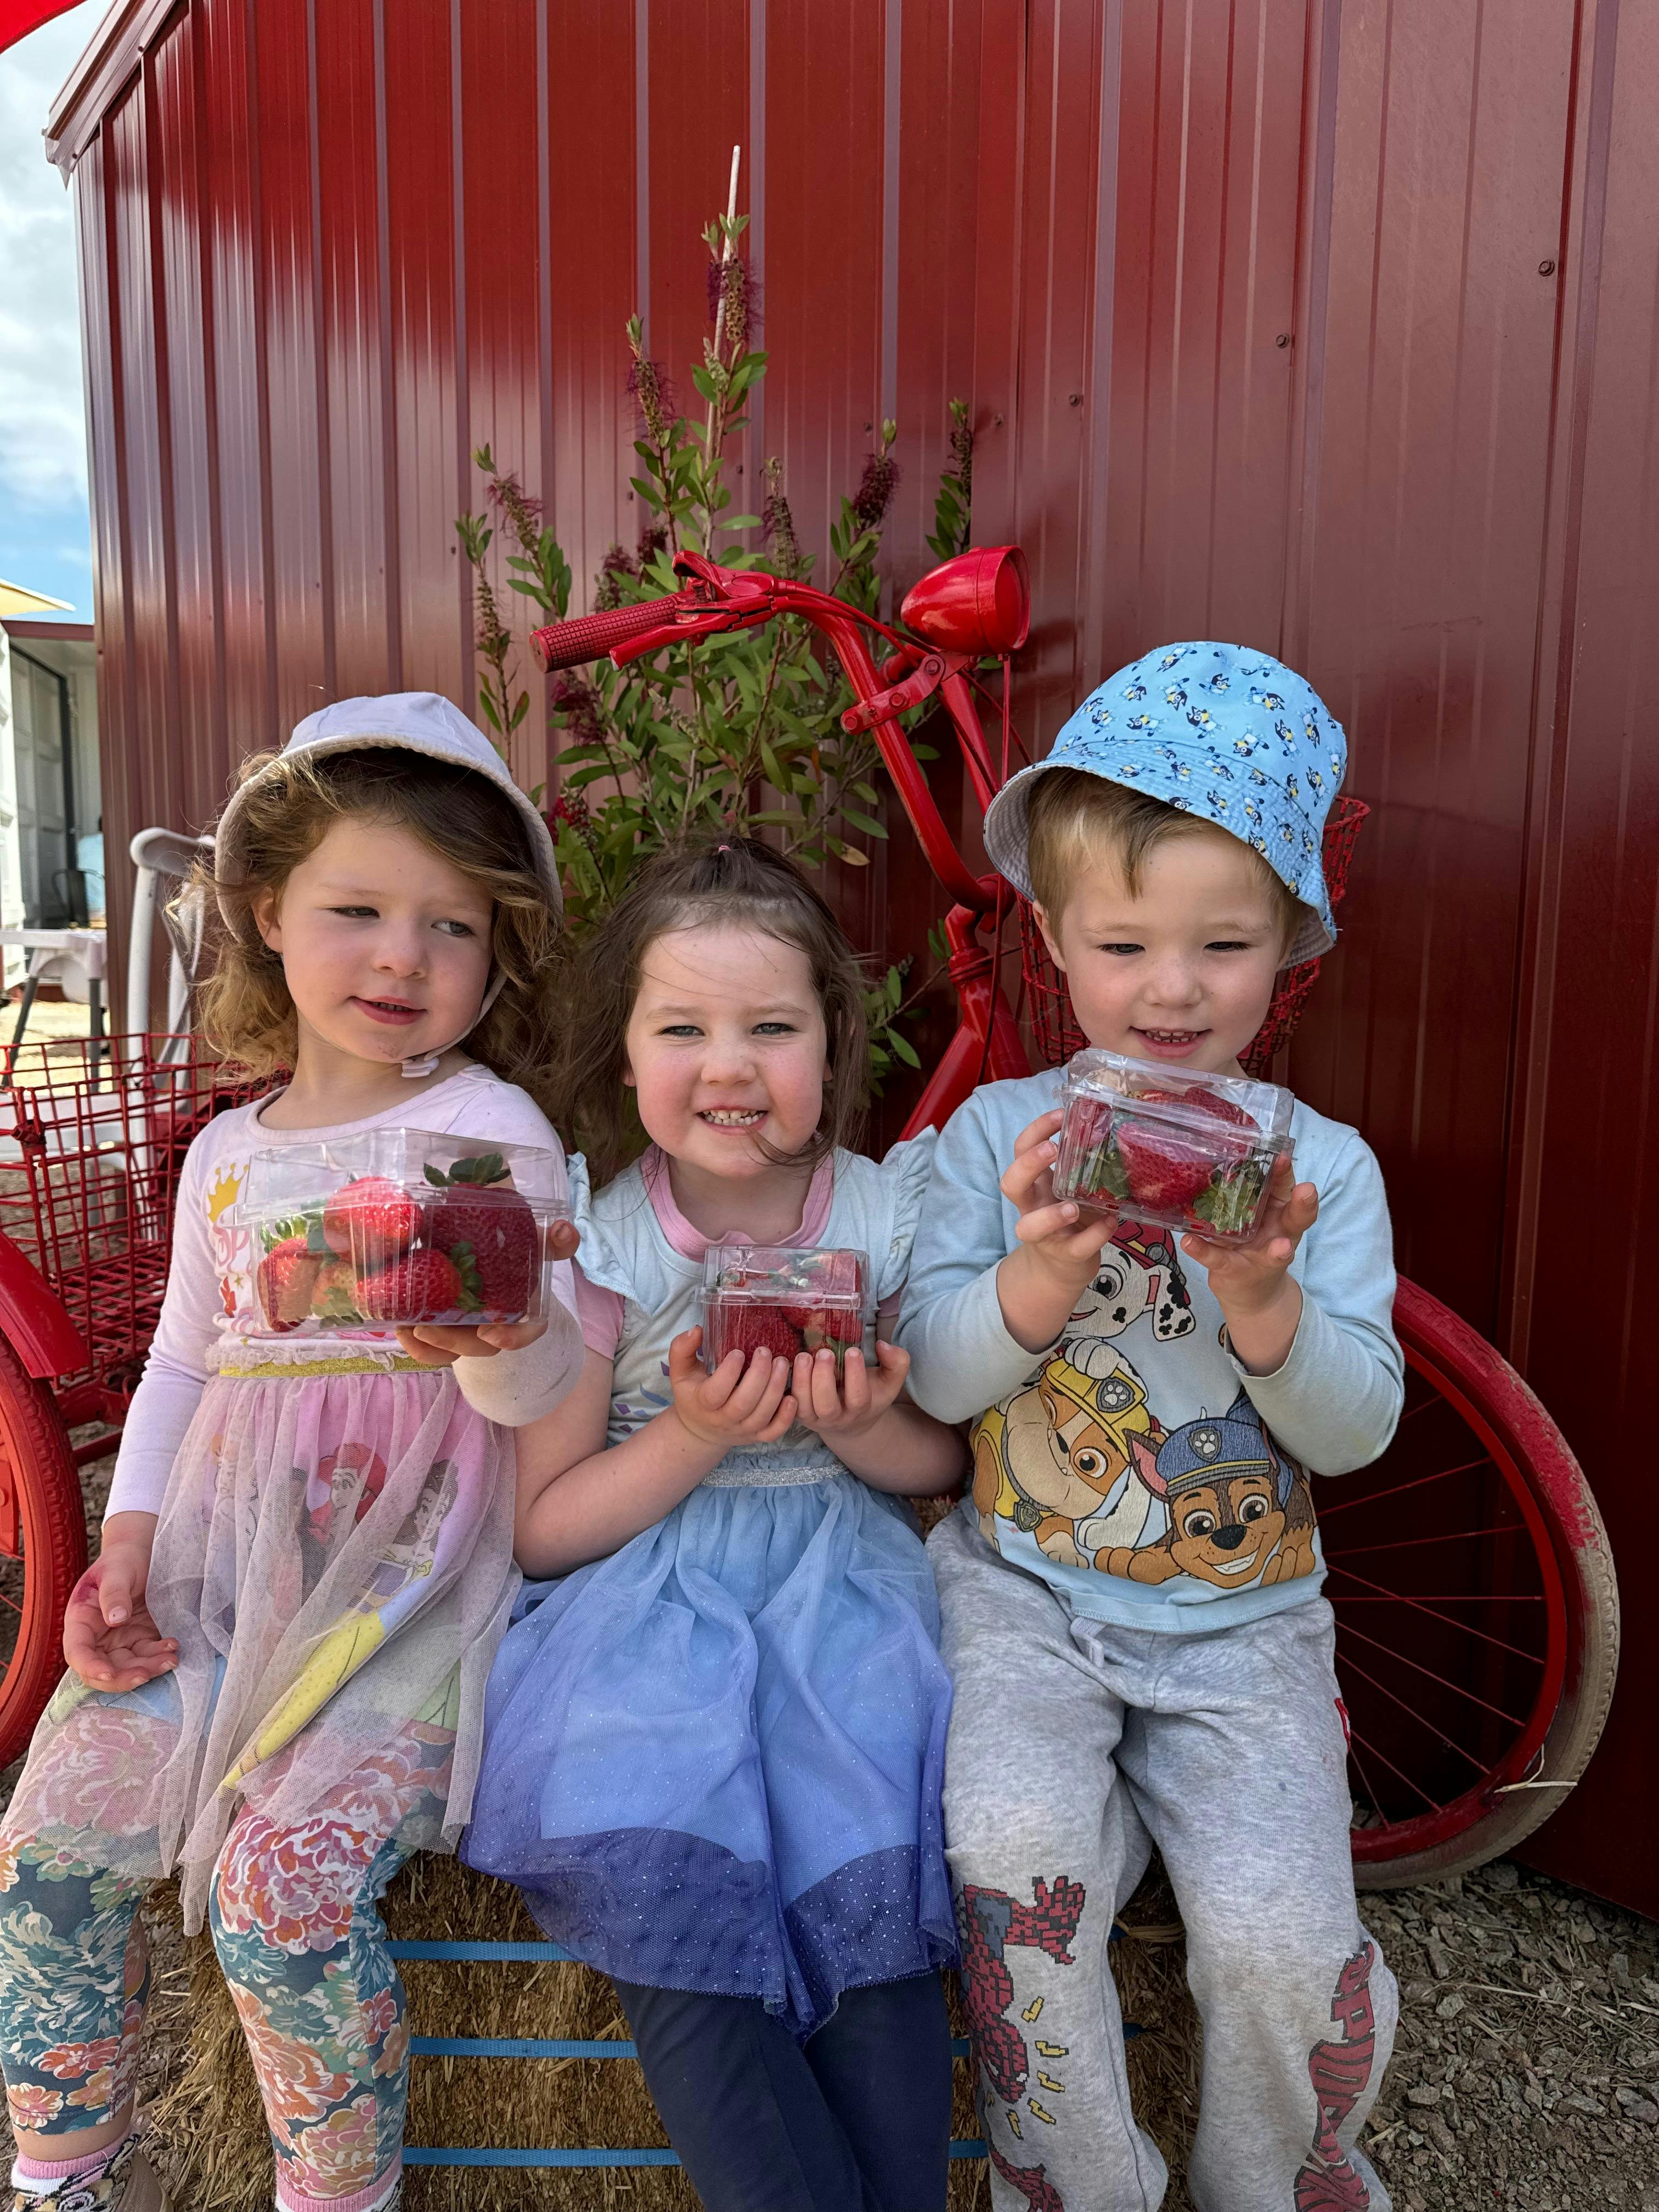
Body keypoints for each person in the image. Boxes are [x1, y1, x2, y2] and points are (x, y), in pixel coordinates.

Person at [0, 695, 585, 2212]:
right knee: (48, 1847)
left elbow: (533, 1393)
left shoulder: (483, 1130)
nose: (404, 956)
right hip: (214, 1577)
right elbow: (189, 1363)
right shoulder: (224, 1155)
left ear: (494, 954)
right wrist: (126, 1540)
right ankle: (67, 2169)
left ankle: (338, 2195)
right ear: (266, 911)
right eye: (359, 910)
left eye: (453, 928)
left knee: (279, 1896)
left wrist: (509, 1330)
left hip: (402, 1598)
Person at [897, 642, 1403, 2212]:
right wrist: (1038, 1272)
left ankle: (1279, 2182)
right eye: (1124, 943)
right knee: (1015, 1879)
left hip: (1245, 1627)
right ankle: (1077, 2187)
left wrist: (1264, 1300)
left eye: (1225, 946)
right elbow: (935, 1377)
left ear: (1291, 951)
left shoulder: (1321, 1168)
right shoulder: (997, 1138)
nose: (1172, 990)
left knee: (1281, 1944)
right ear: (1053, 939)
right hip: (1026, 1602)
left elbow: (1357, 1430)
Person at [462, 837, 966, 2212]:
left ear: (831, 1045)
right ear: (625, 1055)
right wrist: (692, 1434)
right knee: (686, 1954)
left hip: (842, 1603)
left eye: (771, 1027)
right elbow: (548, 1528)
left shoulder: (883, 1212)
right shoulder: (605, 1249)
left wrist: (860, 1420)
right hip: (649, 1624)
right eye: (682, 1026)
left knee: (875, 1952)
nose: (729, 1065)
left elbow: (937, 1468)